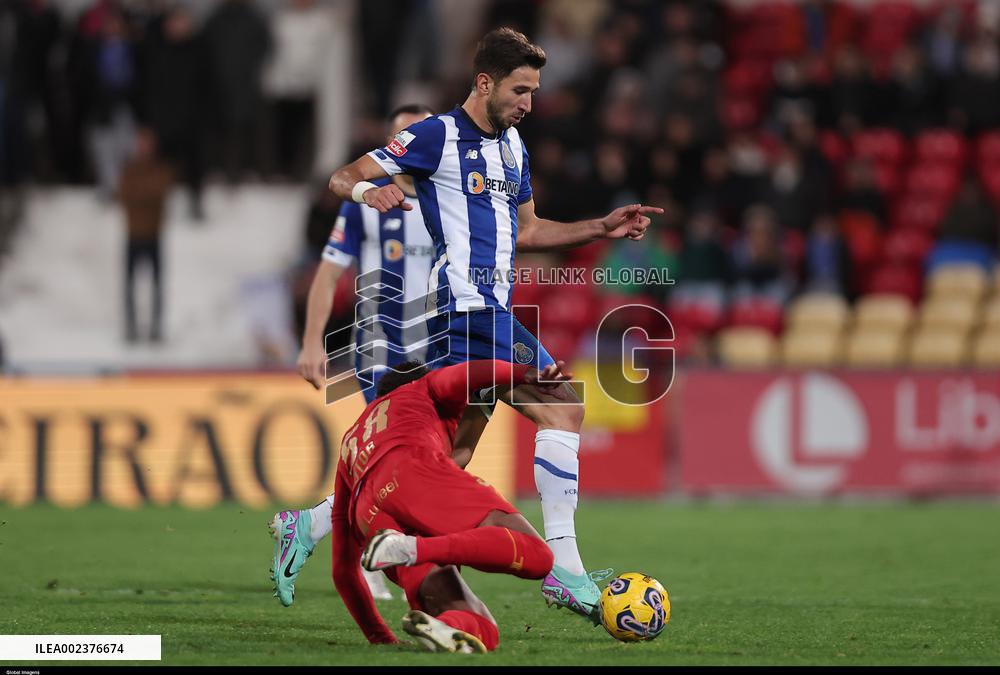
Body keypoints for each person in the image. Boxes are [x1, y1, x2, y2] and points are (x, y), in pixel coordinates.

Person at [328, 27, 661, 621]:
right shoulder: (435, 135)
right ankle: (566, 572)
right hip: (465, 308)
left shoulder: (513, 148)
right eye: (520, 90)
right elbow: (343, 175)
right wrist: (366, 195)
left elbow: (528, 231)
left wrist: (600, 227)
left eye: (533, 92)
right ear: (485, 83)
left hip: (482, 312)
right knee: (563, 409)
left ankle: (334, 532)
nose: (528, 103)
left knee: (450, 458)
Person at [270, 105, 437, 605]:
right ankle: (383, 558)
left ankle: (318, 526)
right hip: (379, 345)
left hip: (434, 346)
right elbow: (327, 275)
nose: (410, 146)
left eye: (420, 135)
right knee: (399, 450)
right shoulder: (365, 203)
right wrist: (311, 340)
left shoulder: (446, 198)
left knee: (407, 457)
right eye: (402, 136)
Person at [332, 359, 569, 652]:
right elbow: (466, 374)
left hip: (371, 517)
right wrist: (528, 374)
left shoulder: (351, 440)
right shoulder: (420, 387)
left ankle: (443, 621)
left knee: (482, 630)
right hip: (412, 467)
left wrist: (380, 638)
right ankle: (412, 549)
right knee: (539, 557)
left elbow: (342, 570)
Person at [119, 128, 173, 342]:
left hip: (153, 234)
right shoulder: (129, 169)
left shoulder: (160, 168)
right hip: (133, 234)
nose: (144, 147)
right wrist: (146, 194)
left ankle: (156, 327)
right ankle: (131, 327)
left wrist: (141, 193)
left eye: (147, 143)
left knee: (157, 285)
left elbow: (160, 190)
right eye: (141, 143)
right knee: (129, 284)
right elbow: (124, 194)